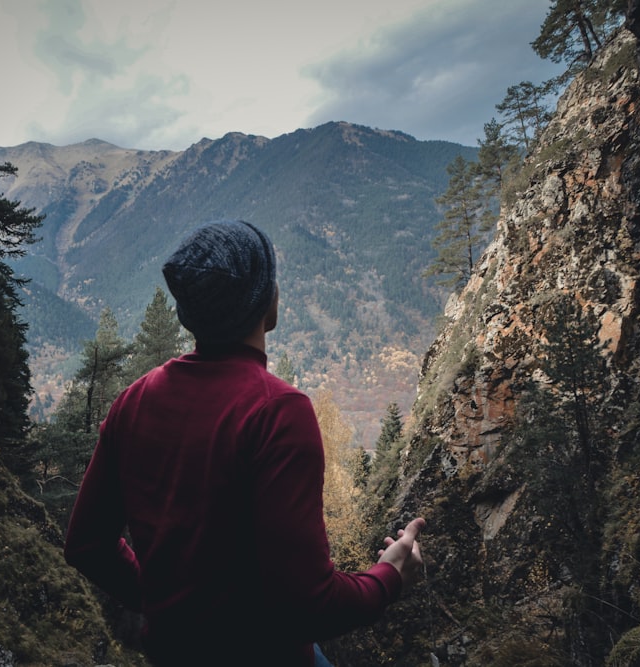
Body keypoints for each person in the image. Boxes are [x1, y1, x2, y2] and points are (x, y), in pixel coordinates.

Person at [64, 220, 425, 666]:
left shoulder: (133, 402)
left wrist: (170, 603)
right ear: (265, 303)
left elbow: (87, 544)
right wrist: (390, 576)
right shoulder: (278, 411)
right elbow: (310, 605)